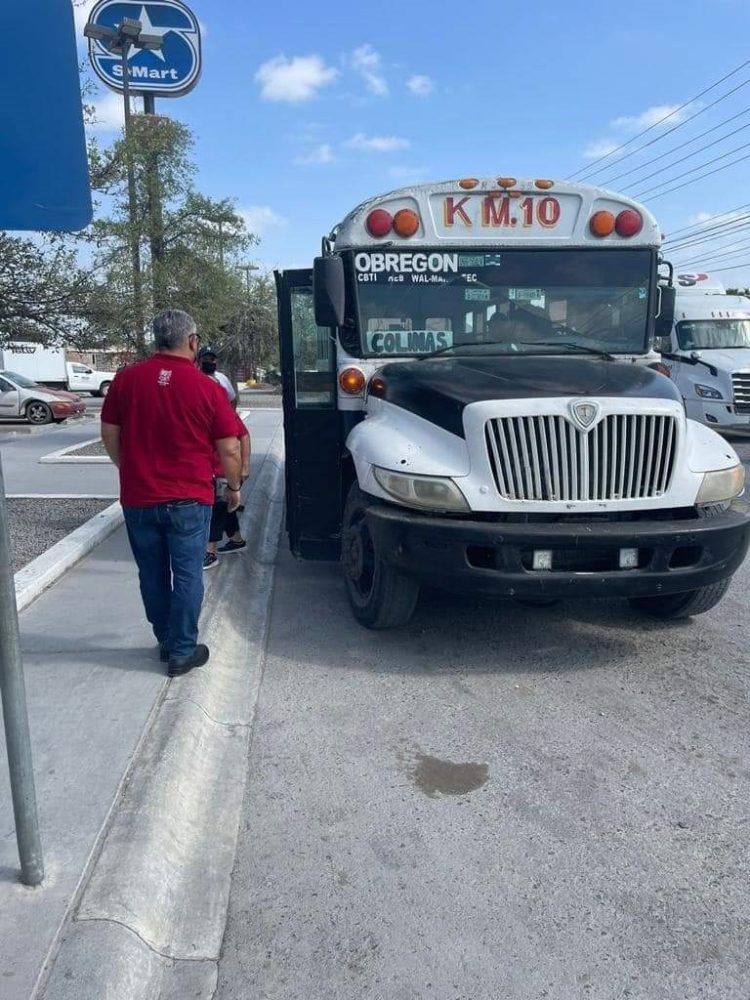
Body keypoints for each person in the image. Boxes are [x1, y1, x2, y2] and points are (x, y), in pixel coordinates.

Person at [101, 310, 244, 677]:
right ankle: (182, 649)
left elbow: (110, 433)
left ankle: (166, 639)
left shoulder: (126, 380)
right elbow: (229, 448)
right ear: (193, 342)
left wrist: (128, 469)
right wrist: (233, 487)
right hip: (188, 501)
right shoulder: (206, 388)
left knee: (151, 573)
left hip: (139, 498)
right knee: (187, 574)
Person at [204, 413, 251, 569]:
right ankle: (237, 540)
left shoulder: (221, 411)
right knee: (227, 507)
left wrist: (245, 466)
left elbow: (243, 436)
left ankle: (210, 553)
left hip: (222, 472)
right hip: (216, 470)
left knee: (216, 509)